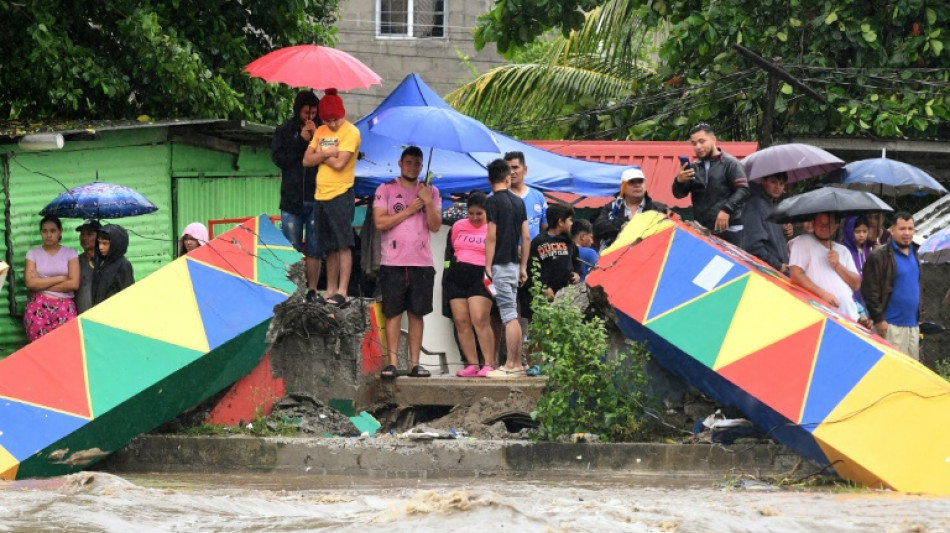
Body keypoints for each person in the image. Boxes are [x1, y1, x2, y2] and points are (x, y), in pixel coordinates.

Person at [373, 147, 442, 378]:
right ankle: (392, 363)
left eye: (416, 164)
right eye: (409, 162)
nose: (412, 167)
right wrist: (411, 210)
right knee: (392, 313)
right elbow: (380, 223)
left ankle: (415, 364)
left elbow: (435, 226)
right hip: (392, 261)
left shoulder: (430, 191)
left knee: (417, 313)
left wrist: (428, 203)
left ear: (422, 167)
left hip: (421, 262)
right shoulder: (386, 189)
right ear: (400, 163)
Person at [303, 88, 360, 305]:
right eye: (328, 120)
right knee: (328, 246)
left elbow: (340, 163)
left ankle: (343, 291)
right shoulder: (320, 131)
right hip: (321, 195)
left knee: (343, 243)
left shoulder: (351, 132)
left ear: (342, 114)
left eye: (335, 119)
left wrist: (320, 156)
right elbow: (306, 160)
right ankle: (331, 289)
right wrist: (326, 153)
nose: (332, 124)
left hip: (341, 193)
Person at [273, 90, 322, 300]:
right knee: (291, 246)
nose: (309, 117)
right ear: (297, 111)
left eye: (313, 112)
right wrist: (301, 140)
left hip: (316, 197)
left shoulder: (323, 131)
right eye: (305, 113)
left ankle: (312, 289)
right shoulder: (284, 131)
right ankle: (293, 290)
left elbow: (328, 157)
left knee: (314, 247)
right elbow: (280, 159)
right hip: (292, 199)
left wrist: (317, 136)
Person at [483, 159, 530, 378]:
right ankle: (518, 363)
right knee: (513, 313)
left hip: (500, 264)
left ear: (489, 179)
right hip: (514, 263)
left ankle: (511, 365)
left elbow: (491, 236)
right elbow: (526, 237)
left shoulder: (492, 202)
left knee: (509, 315)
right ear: (507, 177)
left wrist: (487, 266)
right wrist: (523, 266)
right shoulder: (519, 202)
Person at [443, 191, 496, 378]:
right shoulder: (458, 226)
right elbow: (451, 250)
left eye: (479, 214)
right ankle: (472, 363)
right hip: (457, 275)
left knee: (479, 318)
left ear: (486, 212)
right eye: (471, 213)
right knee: (461, 321)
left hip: (480, 275)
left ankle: (489, 362)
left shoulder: (492, 228)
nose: (474, 218)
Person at [672, 122, 750, 245]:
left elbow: (743, 190)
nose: (698, 146)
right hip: (704, 231)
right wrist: (679, 181)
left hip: (730, 229)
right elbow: (679, 194)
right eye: (694, 143)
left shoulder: (730, 163)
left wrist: (726, 210)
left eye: (702, 141)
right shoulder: (695, 167)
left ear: (713, 140)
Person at [861, 212, 922, 360]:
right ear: (892, 230)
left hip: (913, 326)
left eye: (910, 228)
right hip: (889, 326)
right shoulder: (879, 255)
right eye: (902, 229)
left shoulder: (915, 253)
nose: (907, 233)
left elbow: (917, 287)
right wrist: (879, 319)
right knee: (892, 375)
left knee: (911, 375)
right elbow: (870, 290)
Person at [789, 212, 862, 320]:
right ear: (813, 223)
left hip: (849, 316)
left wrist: (838, 265)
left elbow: (856, 284)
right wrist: (822, 294)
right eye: (820, 223)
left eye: (829, 224)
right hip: (819, 315)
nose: (824, 226)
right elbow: (795, 275)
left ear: (836, 227)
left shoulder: (843, 250)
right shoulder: (803, 241)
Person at [23, 215, 80, 341]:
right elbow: (30, 283)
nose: (48, 235)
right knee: (39, 348)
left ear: (60, 231)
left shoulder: (70, 253)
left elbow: (74, 284)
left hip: (65, 307)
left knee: (64, 346)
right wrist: (60, 278)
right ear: (41, 233)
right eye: (45, 231)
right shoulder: (33, 254)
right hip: (37, 306)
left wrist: (41, 281)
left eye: (53, 231)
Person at [594, 166, 667, 251]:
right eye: (632, 182)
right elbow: (598, 229)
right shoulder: (612, 207)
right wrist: (624, 222)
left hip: (649, 255)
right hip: (617, 256)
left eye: (640, 181)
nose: (637, 185)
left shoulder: (658, 208)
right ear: (622, 187)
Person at [528, 203, 580, 304]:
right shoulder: (539, 242)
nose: (571, 223)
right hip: (544, 295)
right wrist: (544, 287)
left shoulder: (569, 241)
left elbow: (576, 260)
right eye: (569, 219)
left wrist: (577, 273)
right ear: (560, 222)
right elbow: (532, 268)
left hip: (566, 293)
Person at [740, 173, 789, 274]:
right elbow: (753, 246)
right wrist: (778, 266)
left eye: (781, 183)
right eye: (773, 182)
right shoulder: (754, 205)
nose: (777, 187)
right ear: (763, 181)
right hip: (767, 271)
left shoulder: (771, 205)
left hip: (777, 270)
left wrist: (783, 230)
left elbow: (772, 239)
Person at [92, 224, 135, 306]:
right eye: (99, 243)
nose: (100, 247)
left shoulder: (123, 265)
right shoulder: (100, 262)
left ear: (116, 244)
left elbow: (128, 294)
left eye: (105, 243)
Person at [840, 215, 872, 320]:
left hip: (868, 301)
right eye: (857, 232)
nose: (861, 235)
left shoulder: (868, 250)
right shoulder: (843, 251)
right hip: (851, 303)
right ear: (849, 231)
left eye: (864, 231)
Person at [74, 219, 101, 314]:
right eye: (82, 234)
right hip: (82, 319)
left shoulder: (107, 262)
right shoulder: (75, 262)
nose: (85, 238)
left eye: (89, 234)